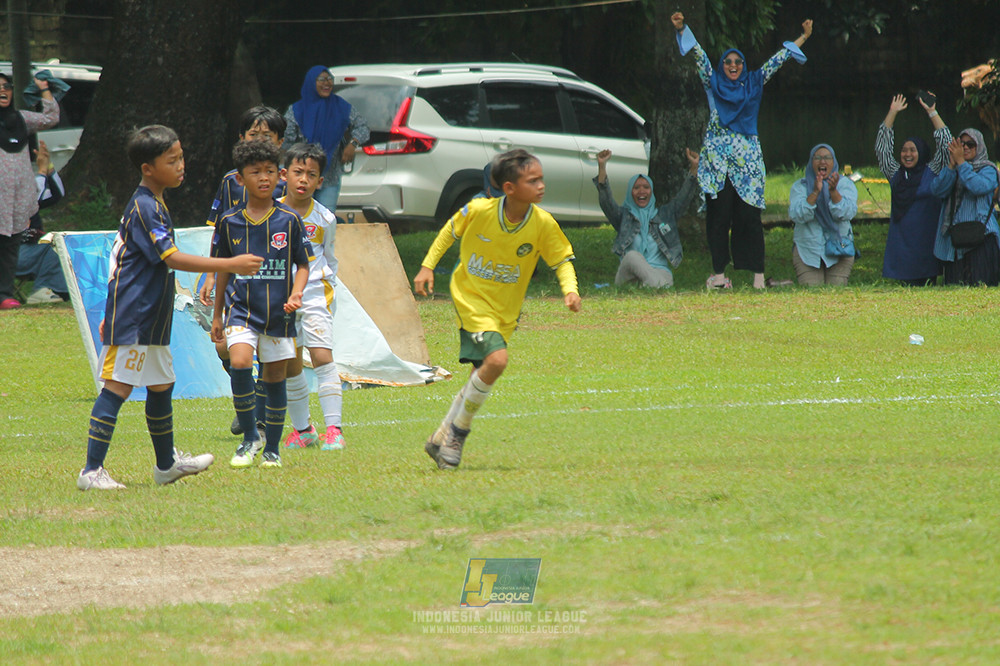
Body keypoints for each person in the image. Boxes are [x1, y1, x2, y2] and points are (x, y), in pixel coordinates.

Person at [77, 125, 264, 491]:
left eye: (181, 157)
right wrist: (230, 264)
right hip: (133, 317)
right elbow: (171, 258)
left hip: (151, 318)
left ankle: (166, 465)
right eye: (172, 160)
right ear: (148, 168)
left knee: (162, 385)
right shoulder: (145, 206)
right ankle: (91, 471)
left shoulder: (157, 201)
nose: (181, 166)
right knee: (117, 388)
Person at [413, 149, 581, 470]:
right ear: (509, 188)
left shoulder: (543, 224)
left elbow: (561, 260)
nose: (541, 185)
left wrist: (570, 291)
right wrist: (427, 267)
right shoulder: (479, 210)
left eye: (541, 179)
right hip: (471, 299)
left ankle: (439, 437)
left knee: (482, 372)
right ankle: (458, 434)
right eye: (533, 181)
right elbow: (449, 231)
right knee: (497, 361)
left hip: (506, 312)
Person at [671, 12, 812, 290]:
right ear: (722, 65)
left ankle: (758, 278)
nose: (733, 66)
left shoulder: (754, 82)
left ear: (743, 65)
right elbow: (698, 54)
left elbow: (778, 60)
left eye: (738, 62)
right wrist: (683, 28)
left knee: (749, 218)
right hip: (716, 166)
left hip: (747, 166)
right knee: (718, 218)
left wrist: (803, 37)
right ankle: (720, 277)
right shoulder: (712, 82)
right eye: (728, 62)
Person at [211, 140, 311, 470]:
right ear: (240, 179)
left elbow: (303, 264)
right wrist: (217, 315)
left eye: (270, 171)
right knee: (239, 362)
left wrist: (296, 293)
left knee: (274, 378)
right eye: (255, 172)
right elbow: (222, 268)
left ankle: (272, 449)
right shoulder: (229, 222)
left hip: (278, 314)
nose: (264, 178)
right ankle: (249, 437)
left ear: (280, 176)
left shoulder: (289, 220)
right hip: (241, 310)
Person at [199, 105, 287, 438]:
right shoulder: (231, 181)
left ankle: (260, 419)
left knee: (269, 353)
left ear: (280, 141)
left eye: (268, 136)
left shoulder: (288, 179)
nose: (261, 140)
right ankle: (247, 398)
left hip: (275, 278)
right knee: (225, 346)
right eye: (254, 135)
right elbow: (219, 232)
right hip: (236, 274)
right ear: (241, 139)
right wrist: (211, 273)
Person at [277, 142, 347, 451]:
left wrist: (323, 286)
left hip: (316, 295)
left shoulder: (325, 219)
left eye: (311, 174)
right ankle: (304, 430)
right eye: (298, 172)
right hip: (280, 300)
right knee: (290, 363)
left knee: (321, 357)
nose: (303, 179)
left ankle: (334, 429)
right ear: (284, 175)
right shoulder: (271, 213)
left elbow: (329, 258)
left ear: (320, 181)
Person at [594, 147, 699, 288]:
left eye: (646, 187)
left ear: (652, 192)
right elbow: (606, 202)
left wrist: (694, 168)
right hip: (628, 276)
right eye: (636, 187)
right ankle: (654, 285)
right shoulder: (623, 216)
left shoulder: (665, 215)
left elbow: (683, 198)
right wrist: (602, 166)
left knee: (664, 277)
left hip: (660, 271)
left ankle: (649, 284)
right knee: (632, 256)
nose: (641, 191)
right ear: (630, 192)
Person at [876, 94, 952, 286]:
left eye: (912, 150)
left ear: (922, 152)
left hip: (927, 244)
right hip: (901, 246)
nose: (907, 154)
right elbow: (882, 149)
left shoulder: (933, 170)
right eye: (904, 150)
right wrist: (892, 112)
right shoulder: (896, 174)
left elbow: (946, 144)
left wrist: (931, 111)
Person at [0, 72, 59, 310]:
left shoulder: (22, 119)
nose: (2, 91)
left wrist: (44, 89)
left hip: (18, 198)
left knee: (11, 246)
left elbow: (50, 117)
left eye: (6, 86)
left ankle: (4, 294)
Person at [283, 66, 370, 211]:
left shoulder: (341, 107)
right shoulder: (296, 110)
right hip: (301, 178)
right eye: (322, 79)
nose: (327, 83)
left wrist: (352, 144)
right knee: (298, 217)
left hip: (330, 177)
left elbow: (363, 127)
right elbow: (286, 141)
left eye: (330, 79)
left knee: (325, 220)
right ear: (311, 82)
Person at [930, 128, 1000, 286]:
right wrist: (951, 166)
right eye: (962, 144)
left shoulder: (988, 169)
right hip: (956, 236)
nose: (965, 148)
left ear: (979, 146)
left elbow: (978, 186)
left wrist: (962, 164)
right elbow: (937, 190)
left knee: (982, 283)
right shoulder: (954, 170)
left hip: (982, 236)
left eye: (970, 144)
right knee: (955, 285)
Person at [788, 144, 859, 285]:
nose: (822, 162)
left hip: (840, 250)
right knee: (812, 295)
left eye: (827, 158)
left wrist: (833, 192)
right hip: (808, 250)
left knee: (836, 295)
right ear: (811, 162)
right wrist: (814, 193)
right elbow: (797, 215)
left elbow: (847, 213)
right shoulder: (800, 187)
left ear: (833, 162)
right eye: (818, 158)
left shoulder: (844, 185)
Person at [17, 139, 69, 303]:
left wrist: (49, 168)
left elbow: (57, 194)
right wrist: (41, 171)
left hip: (27, 251)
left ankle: (56, 289)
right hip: (10, 255)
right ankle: (43, 289)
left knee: (55, 242)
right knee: (52, 244)